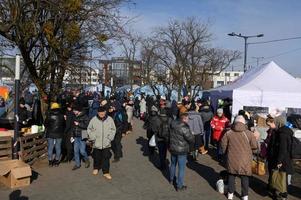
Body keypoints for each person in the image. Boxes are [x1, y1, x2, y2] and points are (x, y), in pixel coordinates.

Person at [221, 115, 258, 200]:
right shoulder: (249, 133)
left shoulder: (228, 132)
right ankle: (245, 196)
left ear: (235, 122)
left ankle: (230, 194)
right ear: (244, 122)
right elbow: (254, 146)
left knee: (231, 175)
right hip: (245, 159)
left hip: (232, 158)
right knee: (244, 177)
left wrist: (226, 152)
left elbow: (223, 144)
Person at [267, 115, 294, 200]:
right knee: (282, 177)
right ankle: (281, 193)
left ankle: (282, 195)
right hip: (284, 159)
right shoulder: (283, 132)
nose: (273, 124)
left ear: (279, 123)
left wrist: (279, 161)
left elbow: (283, 149)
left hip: (283, 160)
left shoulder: (283, 134)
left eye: (275, 122)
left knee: (281, 177)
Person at [87, 106, 116, 180]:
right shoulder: (93, 119)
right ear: (98, 112)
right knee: (96, 157)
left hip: (106, 143)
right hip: (97, 143)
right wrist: (93, 137)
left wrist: (110, 138)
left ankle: (106, 172)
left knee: (106, 158)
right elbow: (89, 129)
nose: (102, 114)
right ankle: (96, 167)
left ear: (105, 112)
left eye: (103, 112)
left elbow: (113, 129)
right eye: (100, 113)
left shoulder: (110, 119)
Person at [169, 113, 195, 191]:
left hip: (173, 148)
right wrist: (192, 134)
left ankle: (171, 179)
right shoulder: (184, 127)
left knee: (173, 164)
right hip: (182, 150)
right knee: (181, 168)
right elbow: (191, 140)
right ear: (183, 119)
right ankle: (179, 186)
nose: (188, 121)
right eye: (187, 119)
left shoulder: (173, 124)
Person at [44, 103, 65, 167]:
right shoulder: (61, 115)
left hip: (50, 133)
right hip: (59, 133)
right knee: (58, 147)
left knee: (50, 147)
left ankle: (50, 161)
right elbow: (64, 124)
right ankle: (56, 161)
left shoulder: (49, 115)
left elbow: (45, 124)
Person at [72, 106, 90, 170]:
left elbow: (87, 126)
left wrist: (78, 124)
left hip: (83, 134)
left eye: (74, 110)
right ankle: (77, 164)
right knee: (75, 151)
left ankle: (86, 160)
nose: (73, 112)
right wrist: (72, 135)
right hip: (76, 135)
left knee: (82, 151)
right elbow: (73, 127)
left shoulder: (85, 116)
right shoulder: (75, 116)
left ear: (78, 110)